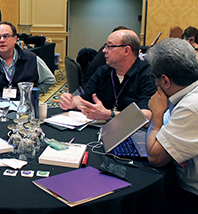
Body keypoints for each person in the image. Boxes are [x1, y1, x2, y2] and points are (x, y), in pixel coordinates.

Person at [144, 38, 198, 213]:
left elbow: (155, 157)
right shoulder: (186, 91)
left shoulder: (190, 107)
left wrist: (157, 115)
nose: (155, 84)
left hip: (190, 196)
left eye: (155, 78)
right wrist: (173, 150)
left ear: (165, 81)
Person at [60, 29, 157, 121]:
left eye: (109, 46)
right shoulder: (103, 71)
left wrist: (110, 114)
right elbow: (82, 97)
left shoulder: (148, 76)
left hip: (131, 133)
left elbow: (146, 116)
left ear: (126, 51)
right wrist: (70, 101)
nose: (104, 50)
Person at [0, 21, 55, 106]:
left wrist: (31, 94)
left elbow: (49, 80)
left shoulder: (31, 59)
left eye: (6, 36)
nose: (2, 40)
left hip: (24, 109)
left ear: (15, 39)